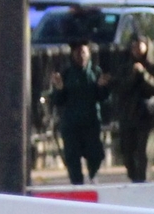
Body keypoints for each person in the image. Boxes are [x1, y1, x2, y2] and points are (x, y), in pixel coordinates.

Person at [44, 41, 107, 185]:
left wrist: (102, 87)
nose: (81, 56)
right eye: (77, 53)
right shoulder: (66, 74)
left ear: (89, 54)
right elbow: (58, 101)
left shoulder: (96, 72)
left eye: (83, 52)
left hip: (91, 122)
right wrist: (59, 89)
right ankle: (76, 184)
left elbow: (103, 97)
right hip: (71, 123)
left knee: (95, 154)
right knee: (72, 157)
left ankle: (93, 176)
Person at [110, 32, 154, 184]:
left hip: (147, 117)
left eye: (139, 45)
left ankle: (143, 181)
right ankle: (134, 178)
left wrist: (144, 74)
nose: (136, 48)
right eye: (133, 46)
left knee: (144, 153)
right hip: (129, 115)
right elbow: (120, 88)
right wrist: (131, 76)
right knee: (128, 153)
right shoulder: (125, 67)